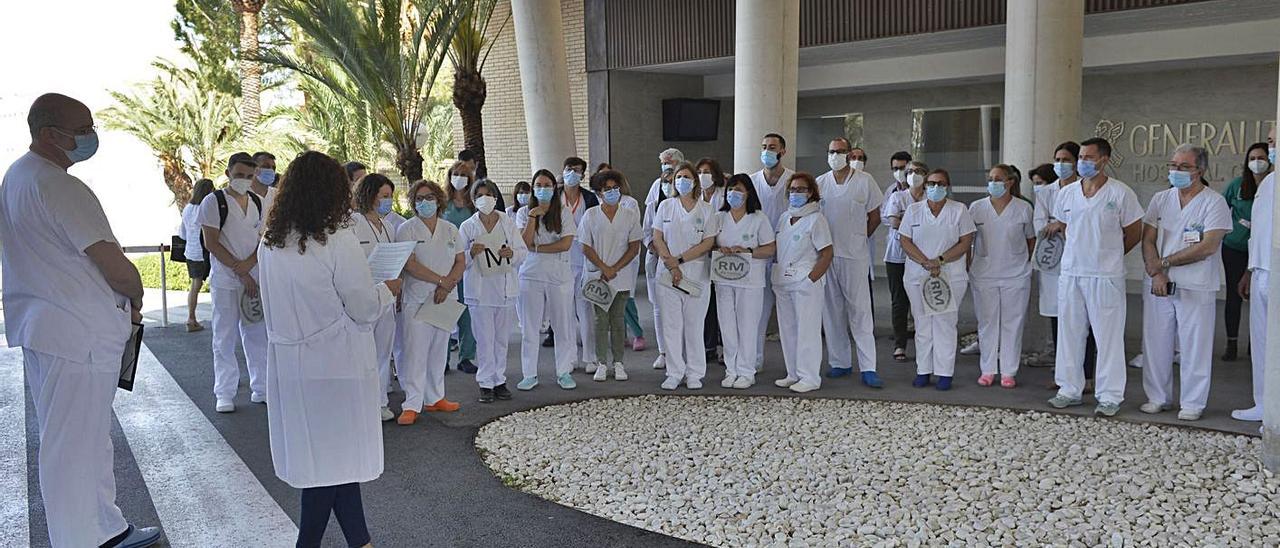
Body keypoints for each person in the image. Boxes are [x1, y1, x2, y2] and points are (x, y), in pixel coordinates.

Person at [2, 93, 162, 548]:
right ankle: (80, 539)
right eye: (84, 126)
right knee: (72, 443)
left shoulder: (17, 177)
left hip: (53, 328)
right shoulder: (59, 186)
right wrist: (135, 291)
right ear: (50, 134)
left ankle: (105, 528)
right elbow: (112, 263)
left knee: (86, 438)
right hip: (77, 333)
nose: (91, 135)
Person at [257, 151, 395, 548]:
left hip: (291, 365)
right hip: (335, 362)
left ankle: (361, 541)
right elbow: (364, 307)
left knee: (331, 461)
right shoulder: (338, 239)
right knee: (332, 465)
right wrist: (387, 291)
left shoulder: (270, 241)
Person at [1046, 137, 1144, 416]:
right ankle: (1068, 389)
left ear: (1104, 160)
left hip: (1105, 276)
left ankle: (1110, 395)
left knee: (1108, 337)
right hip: (1072, 273)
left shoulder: (1120, 193)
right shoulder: (1066, 194)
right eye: (1081, 158)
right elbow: (1066, 227)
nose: (1083, 163)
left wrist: (1110, 255)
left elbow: (1134, 231)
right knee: (1069, 333)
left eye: (1089, 158)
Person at [1138, 144, 1232, 422]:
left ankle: (1192, 402)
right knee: (1156, 342)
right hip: (1159, 283)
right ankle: (1158, 397)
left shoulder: (1213, 202)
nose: (1176, 171)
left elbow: (1208, 246)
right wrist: (1156, 272)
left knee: (1195, 345)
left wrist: (1164, 264)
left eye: (1184, 167)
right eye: (1173, 165)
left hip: (1196, 284)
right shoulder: (1160, 199)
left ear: (1200, 171)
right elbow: (1148, 239)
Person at [199, 152, 268, 413]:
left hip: (254, 277)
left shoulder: (258, 202)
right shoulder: (214, 202)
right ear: (228, 173)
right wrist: (240, 271)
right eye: (239, 175)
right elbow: (211, 242)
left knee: (257, 334)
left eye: (249, 176)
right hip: (227, 280)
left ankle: (260, 388)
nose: (244, 180)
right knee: (224, 336)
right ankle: (224, 392)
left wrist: (250, 266)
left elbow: (262, 239)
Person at [898, 169, 975, 390]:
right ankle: (923, 370)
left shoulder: (959, 210)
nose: (935, 187)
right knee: (922, 323)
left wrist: (939, 261)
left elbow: (964, 242)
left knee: (945, 324)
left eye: (940, 183)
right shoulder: (913, 211)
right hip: (917, 275)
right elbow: (905, 241)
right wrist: (925, 262)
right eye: (931, 183)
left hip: (950, 274)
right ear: (925, 186)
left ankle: (944, 373)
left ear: (947, 186)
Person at [816, 138, 885, 387]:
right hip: (826, 255)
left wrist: (858, 238)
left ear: (849, 154)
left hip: (855, 255)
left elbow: (875, 216)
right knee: (831, 310)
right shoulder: (820, 183)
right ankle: (840, 362)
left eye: (840, 151)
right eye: (832, 151)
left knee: (860, 311)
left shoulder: (865, 181)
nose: (836, 155)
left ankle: (868, 367)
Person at [396, 179, 465, 425]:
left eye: (429, 198)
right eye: (420, 198)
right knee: (416, 351)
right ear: (414, 203)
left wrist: (449, 284)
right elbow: (410, 264)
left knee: (439, 349)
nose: (425, 202)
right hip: (418, 297)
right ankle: (412, 403)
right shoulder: (407, 229)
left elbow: (460, 261)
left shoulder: (450, 229)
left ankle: (436, 397)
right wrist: (440, 281)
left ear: (438, 200)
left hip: (445, 298)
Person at [652, 162, 720, 390]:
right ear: (673, 182)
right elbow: (657, 237)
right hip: (668, 275)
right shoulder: (666, 207)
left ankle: (694, 373)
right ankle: (674, 372)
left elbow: (708, 242)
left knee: (693, 325)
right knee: (671, 326)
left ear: (695, 181)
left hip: (696, 275)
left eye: (687, 176)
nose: (682, 180)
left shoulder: (707, 209)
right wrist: (671, 265)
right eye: (678, 177)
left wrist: (679, 260)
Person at [460, 179, 528, 403]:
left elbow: (522, 251)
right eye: (479, 194)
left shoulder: (507, 222)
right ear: (473, 199)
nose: (485, 198)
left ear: (496, 197)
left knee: (501, 339)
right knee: (484, 339)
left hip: (505, 289)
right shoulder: (468, 226)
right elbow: (459, 260)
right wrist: (471, 252)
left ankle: (499, 380)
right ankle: (485, 383)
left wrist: (512, 254)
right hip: (480, 292)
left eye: (489, 194)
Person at [968, 164, 1036, 388]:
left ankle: (1008, 371)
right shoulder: (976, 208)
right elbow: (968, 241)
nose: (993, 183)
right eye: (990, 178)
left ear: (1010, 182)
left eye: (998, 179)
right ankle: (987, 369)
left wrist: (1022, 262)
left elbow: (1030, 239)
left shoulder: (1023, 208)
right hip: (984, 273)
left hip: (1015, 274)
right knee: (987, 322)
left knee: (1012, 323)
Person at [515, 169, 578, 390]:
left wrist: (538, 248)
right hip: (530, 275)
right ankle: (529, 374)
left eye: (547, 185)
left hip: (559, 277)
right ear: (533, 188)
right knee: (530, 328)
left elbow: (566, 244)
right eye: (538, 185)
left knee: (562, 327)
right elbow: (524, 243)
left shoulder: (564, 212)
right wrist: (534, 216)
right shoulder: (524, 213)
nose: (543, 189)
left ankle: (563, 372)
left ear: (554, 187)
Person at [772, 172, 834, 393]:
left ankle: (810, 377)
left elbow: (827, 253)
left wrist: (811, 279)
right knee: (788, 329)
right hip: (783, 281)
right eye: (793, 189)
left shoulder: (816, 219)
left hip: (806, 281)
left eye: (801, 189)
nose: (796, 193)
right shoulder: (783, 217)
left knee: (807, 330)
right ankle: (793, 373)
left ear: (811, 193)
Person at [579, 169, 644, 381]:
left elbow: (634, 247)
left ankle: (618, 363)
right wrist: (603, 268)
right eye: (607, 189)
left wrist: (614, 268)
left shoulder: (630, 215)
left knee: (617, 320)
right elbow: (585, 247)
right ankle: (601, 362)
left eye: (615, 188)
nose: (613, 192)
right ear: (599, 193)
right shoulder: (590, 215)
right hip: (598, 276)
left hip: (621, 276)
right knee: (600, 321)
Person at [713, 174, 776, 389]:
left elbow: (770, 248)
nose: (734, 194)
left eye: (739, 189)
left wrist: (747, 251)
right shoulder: (719, 217)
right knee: (727, 326)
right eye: (730, 189)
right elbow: (709, 244)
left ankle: (747, 371)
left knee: (748, 327)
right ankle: (731, 369)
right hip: (724, 281)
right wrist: (719, 249)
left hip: (750, 282)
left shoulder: (759, 218)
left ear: (748, 192)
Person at [351, 174, 400, 421]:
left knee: (383, 353)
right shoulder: (353, 223)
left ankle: (380, 401)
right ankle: (362, 403)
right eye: (384, 196)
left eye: (390, 196)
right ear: (369, 195)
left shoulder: (389, 226)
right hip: (364, 298)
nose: (387, 201)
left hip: (387, 297)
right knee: (363, 353)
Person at [1236, 127, 1276, 423]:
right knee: (1262, 343)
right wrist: (1249, 271)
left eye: (1274, 141)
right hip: (1261, 270)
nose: (1270, 144)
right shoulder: (1269, 183)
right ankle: (1264, 405)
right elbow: (1258, 235)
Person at [750, 133, 795, 370]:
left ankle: (795, 366)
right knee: (758, 312)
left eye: (772, 147)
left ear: (783, 151)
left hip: (788, 254)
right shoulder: (751, 181)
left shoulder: (794, 181)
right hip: (759, 254)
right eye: (764, 146)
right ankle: (754, 361)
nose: (767, 151)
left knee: (789, 314)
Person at [1220, 142, 1267, 361]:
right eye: (1252, 158)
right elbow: (1220, 208)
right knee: (1234, 296)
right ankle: (1231, 343)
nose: (1256, 162)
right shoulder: (1238, 185)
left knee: (1258, 296)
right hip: (1235, 248)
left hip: (1261, 252)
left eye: (1261, 158)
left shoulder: (1271, 186)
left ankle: (1254, 343)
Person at [559, 157, 602, 372]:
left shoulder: (589, 198)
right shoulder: (554, 197)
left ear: (583, 175)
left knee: (585, 309)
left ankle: (590, 357)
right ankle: (569, 358)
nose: (572, 173)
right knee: (565, 311)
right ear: (562, 171)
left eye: (577, 171)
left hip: (583, 260)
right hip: (560, 260)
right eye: (569, 169)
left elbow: (597, 227)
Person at [882, 160, 928, 362]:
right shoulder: (897, 196)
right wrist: (919, 227)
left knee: (922, 300)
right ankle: (900, 344)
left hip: (925, 255)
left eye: (918, 171)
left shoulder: (931, 197)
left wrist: (907, 223)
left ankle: (925, 343)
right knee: (899, 302)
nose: (912, 175)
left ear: (926, 175)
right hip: (897, 256)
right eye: (909, 171)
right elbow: (893, 221)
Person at [643, 148, 684, 370]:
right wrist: (653, 246)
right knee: (659, 307)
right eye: (663, 163)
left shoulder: (688, 189)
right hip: (658, 256)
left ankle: (681, 351)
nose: (666, 166)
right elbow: (648, 224)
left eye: (670, 163)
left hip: (683, 259)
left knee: (682, 307)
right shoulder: (656, 187)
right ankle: (663, 351)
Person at [443, 161, 479, 373]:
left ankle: (466, 356)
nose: (459, 178)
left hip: (468, 263)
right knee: (446, 312)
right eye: (455, 174)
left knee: (467, 313)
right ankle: (443, 358)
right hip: (446, 264)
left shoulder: (474, 204)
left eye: (463, 174)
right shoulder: (442, 203)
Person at [695, 158, 727, 362]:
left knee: (721, 302)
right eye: (699, 171)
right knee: (706, 304)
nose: (703, 175)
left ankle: (723, 345)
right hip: (700, 255)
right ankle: (708, 346)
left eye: (707, 171)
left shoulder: (723, 195)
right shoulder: (694, 196)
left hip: (720, 252)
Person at [182, 178, 215, 332]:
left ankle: (191, 317)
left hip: (191, 252)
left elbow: (182, 233)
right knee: (211, 285)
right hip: (204, 253)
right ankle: (191, 318)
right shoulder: (206, 207)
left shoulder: (188, 208)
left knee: (194, 286)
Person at [251, 151, 279, 227]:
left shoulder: (278, 195)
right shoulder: (243, 194)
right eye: (266, 166)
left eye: (273, 168)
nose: (271, 170)